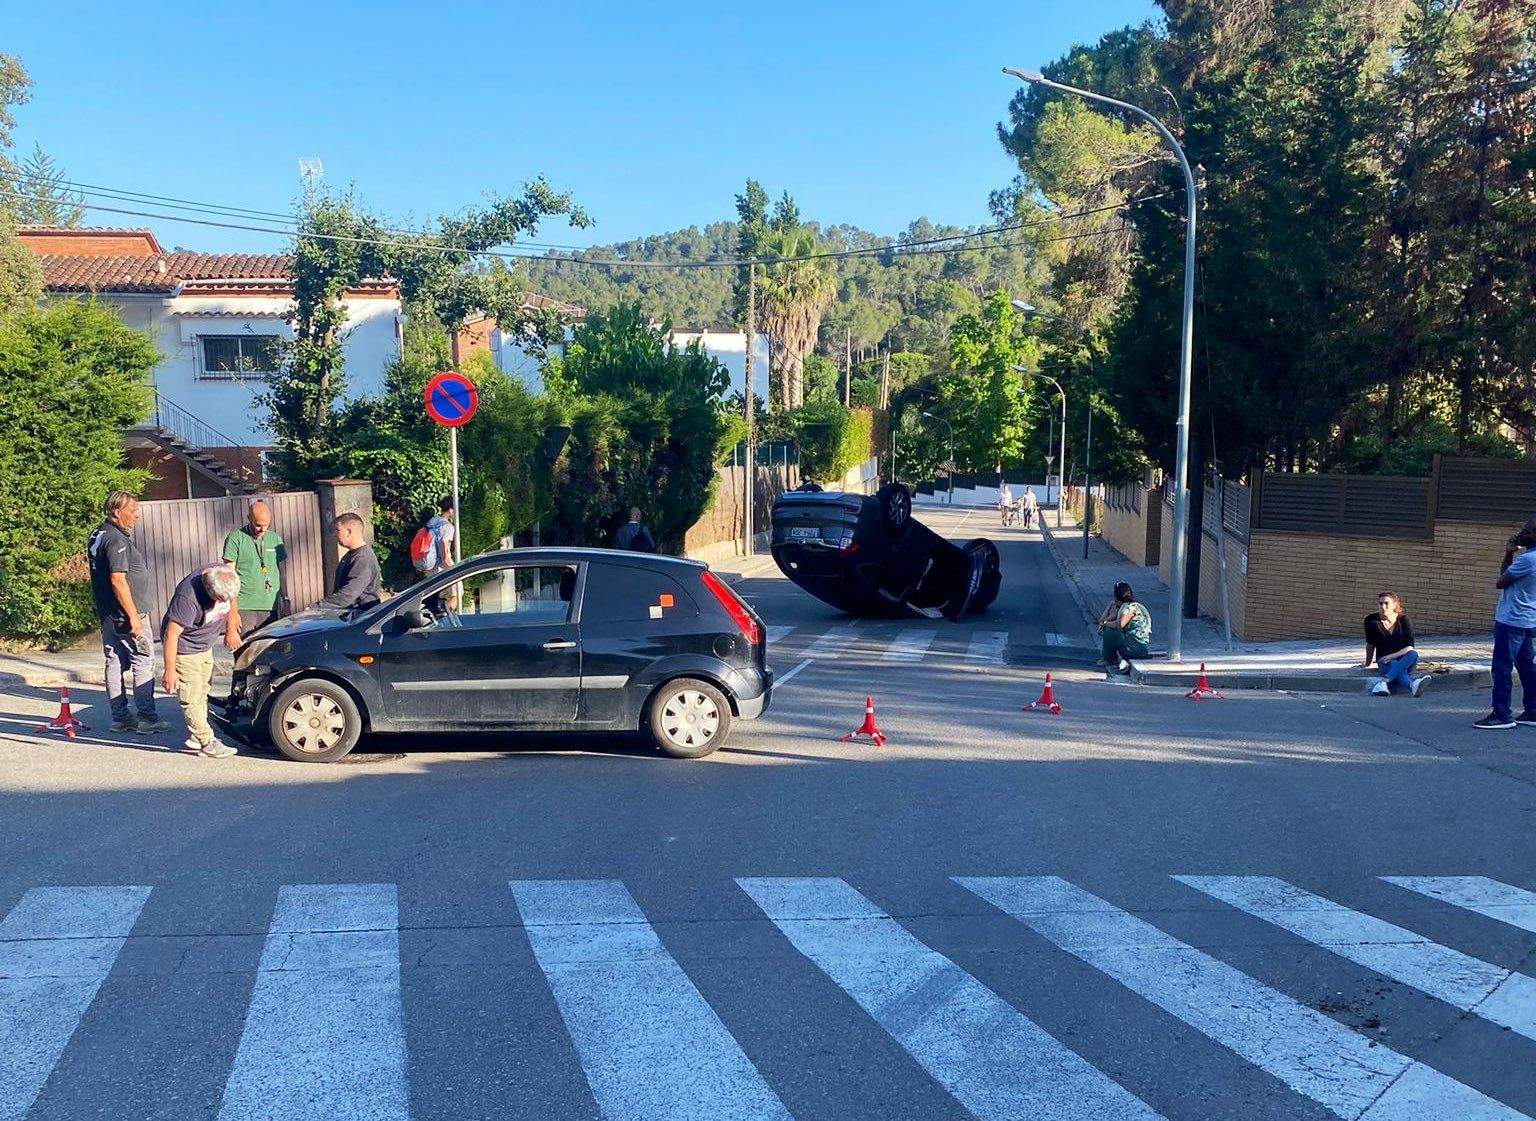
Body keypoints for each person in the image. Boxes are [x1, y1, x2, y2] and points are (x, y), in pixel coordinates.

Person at [87, 491, 170, 734]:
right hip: (126, 615)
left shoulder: (98, 534)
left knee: (113, 661)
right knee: (143, 660)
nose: (136, 515)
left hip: (108, 613)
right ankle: (147, 718)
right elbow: (117, 580)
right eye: (132, 511)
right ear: (116, 512)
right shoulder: (116, 540)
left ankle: (120, 718)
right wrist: (133, 616)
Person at [161, 564, 241, 758]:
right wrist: (169, 670)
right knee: (191, 697)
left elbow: (231, 599)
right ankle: (207, 741)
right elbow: (171, 635)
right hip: (185, 650)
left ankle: (198, 735)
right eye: (219, 599)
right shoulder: (188, 598)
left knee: (202, 692)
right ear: (208, 589)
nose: (224, 602)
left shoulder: (224, 576)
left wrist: (231, 628)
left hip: (205, 646)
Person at [1474, 518, 1536, 729]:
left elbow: (1501, 581)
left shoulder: (1526, 560)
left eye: (1526, 531)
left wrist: (1509, 553)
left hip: (1511, 620)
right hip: (1529, 620)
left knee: (1502, 667)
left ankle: (1501, 714)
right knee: (1526, 666)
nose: (1521, 534)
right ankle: (1533, 711)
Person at [223, 499, 287, 638]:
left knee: (268, 652)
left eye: (266, 525)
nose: (262, 530)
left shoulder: (275, 539)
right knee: (245, 653)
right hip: (244, 606)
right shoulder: (235, 538)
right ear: (249, 519)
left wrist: (285, 598)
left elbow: (281, 572)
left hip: (271, 606)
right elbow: (228, 577)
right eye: (258, 525)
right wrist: (232, 612)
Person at [1362, 592, 1428, 697]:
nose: (1383, 606)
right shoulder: (1371, 620)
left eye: (1386, 603)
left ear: (1394, 604)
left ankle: (1383, 682)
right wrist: (1367, 663)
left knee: (1413, 654)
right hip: (1384, 661)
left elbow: (1410, 646)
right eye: (1380, 603)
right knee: (1395, 667)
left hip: (1404, 659)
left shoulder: (1404, 620)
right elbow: (1370, 644)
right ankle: (1412, 685)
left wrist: (1392, 656)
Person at [320, 512, 382, 613]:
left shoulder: (363, 558)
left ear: (349, 531)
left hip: (361, 618)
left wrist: (318, 607)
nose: (335, 534)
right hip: (351, 616)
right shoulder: (351, 554)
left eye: (338, 530)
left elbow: (348, 593)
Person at [1099, 581, 1152, 673]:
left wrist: (1106, 623)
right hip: (1134, 646)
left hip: (1136, 648)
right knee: (1108, 628)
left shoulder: (1129, 608)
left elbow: (1119, 625)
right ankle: (1107, 658)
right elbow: (1102, 620)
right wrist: (1109, 607)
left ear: (1116, 597)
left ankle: (1110, 660)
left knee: (1110, 631)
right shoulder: (1126, 607)